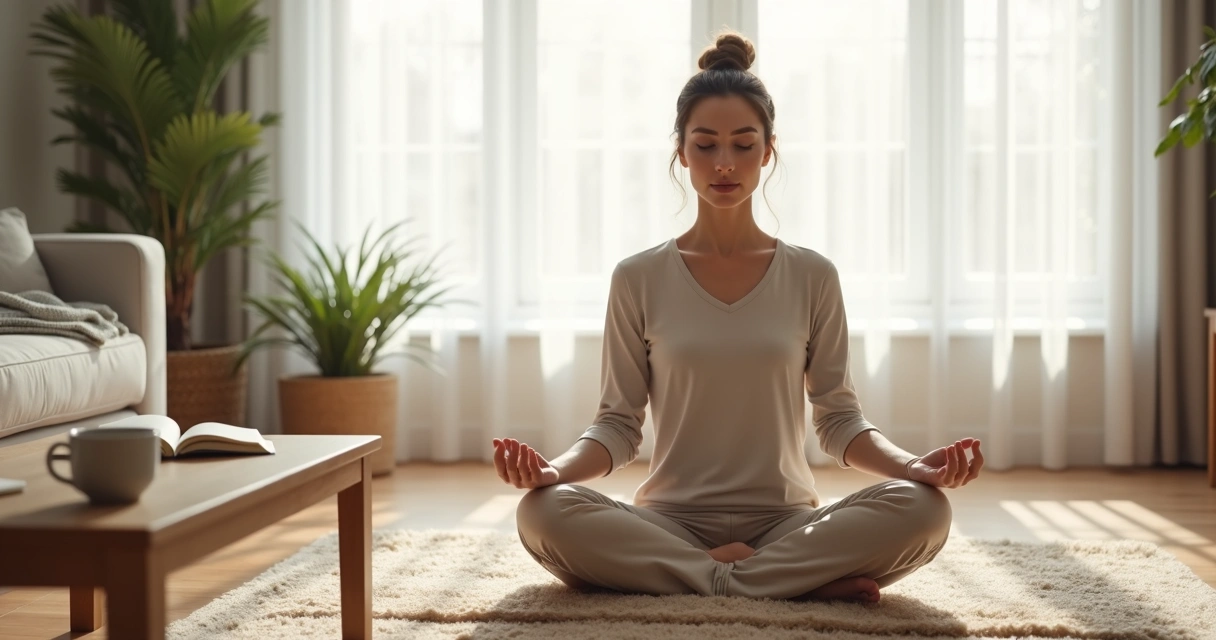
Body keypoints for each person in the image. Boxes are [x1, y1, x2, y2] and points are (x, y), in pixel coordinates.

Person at [491, 30, 984, 604]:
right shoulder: (637, 277)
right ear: (680, 151)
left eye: (743, 145)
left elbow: (838, 421)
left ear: (768, 150)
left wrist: (912, 466)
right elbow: (618, 426)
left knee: (923, 508)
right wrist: (554, 471)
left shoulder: (812, 275)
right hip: (669, 523)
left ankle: (700, 578)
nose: (724, 163)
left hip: (786, 525)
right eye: (705, 145)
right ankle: (787, 583)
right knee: (543, 512)